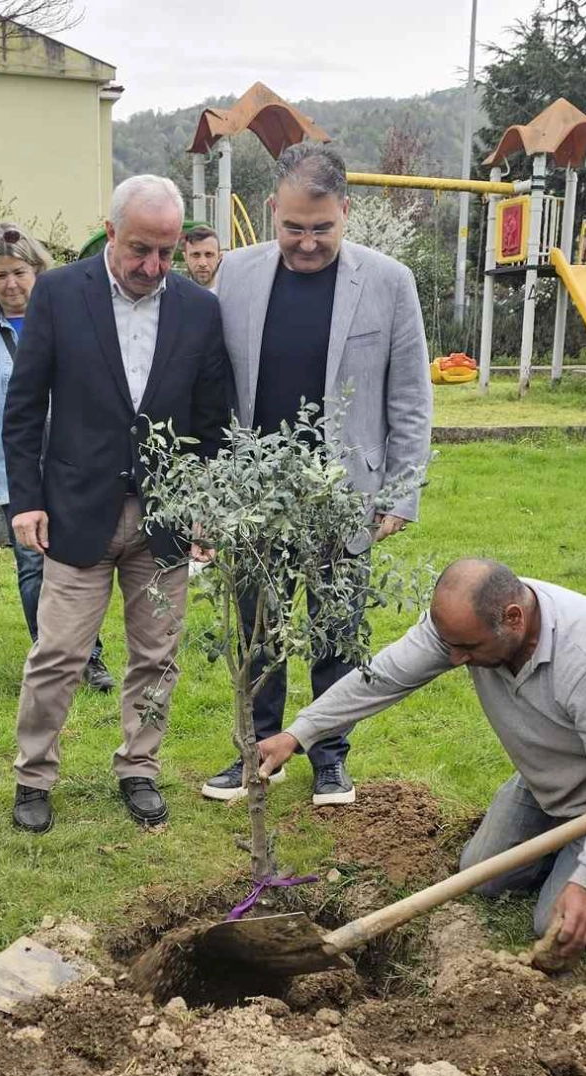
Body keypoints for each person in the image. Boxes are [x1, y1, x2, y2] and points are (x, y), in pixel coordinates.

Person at [257, 558, 586, 961]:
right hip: (551, 777)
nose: (455, 659)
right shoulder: (464, 628)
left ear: (514, 618)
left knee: (555, 922)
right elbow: (384, 676)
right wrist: (300, 732)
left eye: (467, 648)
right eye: (449, 645)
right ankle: (573, 843)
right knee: (482, 876)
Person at [204, 142, 433, 807]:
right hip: (256, 493)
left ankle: (330, 759)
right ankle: (256, 754)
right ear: (272, 210)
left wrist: (400, 492)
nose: (306, 243)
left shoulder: (389, 282)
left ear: (346, 213)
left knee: (338, 629)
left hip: (344, 494)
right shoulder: (236, 275)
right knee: (259, 629)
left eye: (321, 229)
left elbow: (411, 397)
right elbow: (219, 386)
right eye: (293, 228)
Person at [2, 175, 232, 832]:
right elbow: (24, 408)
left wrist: (206, 503)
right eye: (140, 250)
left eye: (166, 252)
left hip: (165, 519)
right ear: (111, 234)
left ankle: (140, 767)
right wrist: (26, 499)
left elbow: (213, 422)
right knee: (59, 653)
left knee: (157, 654)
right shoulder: (58, 294)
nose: (153, 267)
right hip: (75, 509)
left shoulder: (198, 310)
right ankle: (34, 774)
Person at [0, 221, 116, 691]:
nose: (11, 284)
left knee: (77, 565)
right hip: (13, 470)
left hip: (72, 466)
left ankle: (90, 658)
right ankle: (50, 659)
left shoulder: (70, 321)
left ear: (38, 272)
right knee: (32, 569)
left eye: (19, 272)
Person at [182, 224, 223, 290]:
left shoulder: (231, 296)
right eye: (195, 255)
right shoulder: (173, 296)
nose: (202, 263)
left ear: (219, 257)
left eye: (209, 254)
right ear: (185, 258)